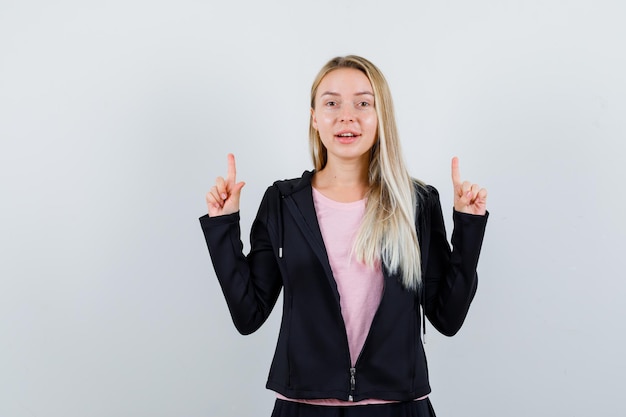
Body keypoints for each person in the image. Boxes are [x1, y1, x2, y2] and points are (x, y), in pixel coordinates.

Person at [200, 55, 488, 417]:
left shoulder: (416, 203)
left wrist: (469, 225)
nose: (346, 116)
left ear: (381, 116)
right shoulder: (283, 202)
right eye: (331, 102)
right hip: (303, 408)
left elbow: (447, 318)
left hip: (399, 407)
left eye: (363, 103)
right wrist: (224, 225)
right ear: (314, 117)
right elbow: (248, 315)